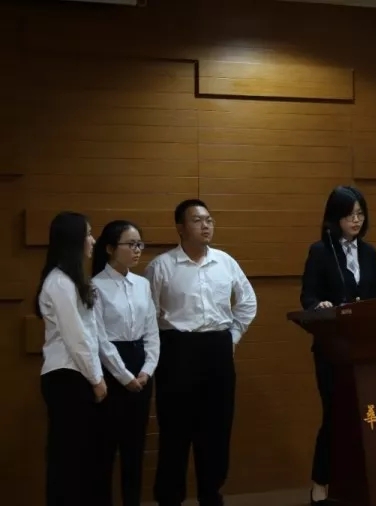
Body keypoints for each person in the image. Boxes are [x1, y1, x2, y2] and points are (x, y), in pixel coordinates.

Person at [146, 199, 257, 506]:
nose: (206, 225)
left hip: (218, 349)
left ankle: (211, 494)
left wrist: (231, 338)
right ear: (180, 228)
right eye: (197, 220)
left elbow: (247, 302)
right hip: (177, 351)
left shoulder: (225, 261)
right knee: (175, 430)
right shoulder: (161, 266)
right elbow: (147, 315)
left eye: (209, 220)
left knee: (217, 428)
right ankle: (170, 498)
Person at [36, 211, 133, 506]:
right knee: (68, 458)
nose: (92, 240)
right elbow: (76, 337)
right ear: (73, 239)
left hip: (77, 374)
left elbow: (91, 334)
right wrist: (97, 378)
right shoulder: (59, 282)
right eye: (88, 234)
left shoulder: (72, 280)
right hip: (67, 376)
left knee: (82, 456)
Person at [300, 186, 376, 505]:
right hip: (333, 349)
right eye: (349, 215)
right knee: (335, 416)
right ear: (335, 218)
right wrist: (318, 305)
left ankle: (359, 483)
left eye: (360, 214)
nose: (356, 220)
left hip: (366, 349)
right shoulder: (321, 251)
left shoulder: (369, 253)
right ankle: (321, 482)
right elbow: (307, 296)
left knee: (367, 417)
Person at [91, 220, 160, 506]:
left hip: (140, 365)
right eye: (130, 244)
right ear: (110, 248)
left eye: (139, 244)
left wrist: (146, 371)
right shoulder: (95, 286)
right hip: (110, 368)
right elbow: (99, 338)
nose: (137, 250)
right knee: (105, 447)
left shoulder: (142, 284)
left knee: (135, 447)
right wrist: (124, 376)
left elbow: (152, 332)